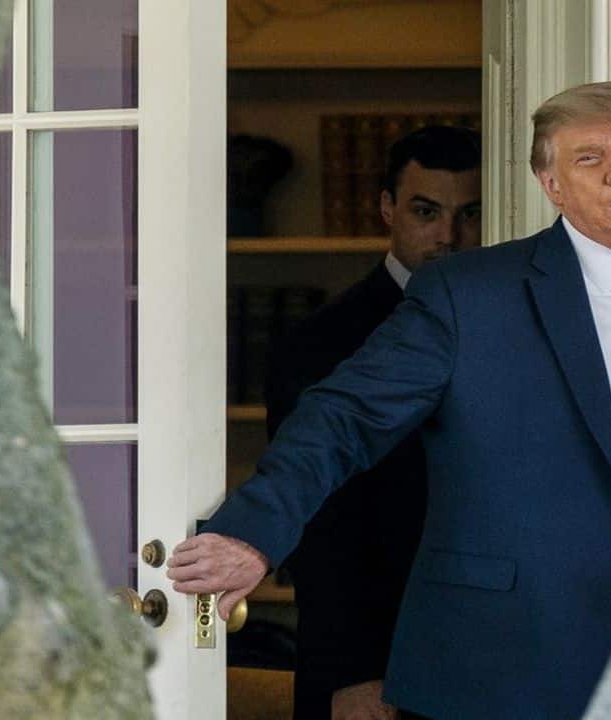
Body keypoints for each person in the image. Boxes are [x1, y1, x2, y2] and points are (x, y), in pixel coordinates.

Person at [169, 81, 611, 719]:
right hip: (528, 651)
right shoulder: (469, 294)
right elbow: (344, 417)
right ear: (550, 184)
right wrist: (253, 534)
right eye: (587, 159)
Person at [264, 126, 481, 720]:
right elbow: (318, 520)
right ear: (387, 208)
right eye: (425, 211)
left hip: (490, 655)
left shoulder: (514, 322)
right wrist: (352, 671)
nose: (448, 235)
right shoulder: (319, 341)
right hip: (372, 659)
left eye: (468, 213)